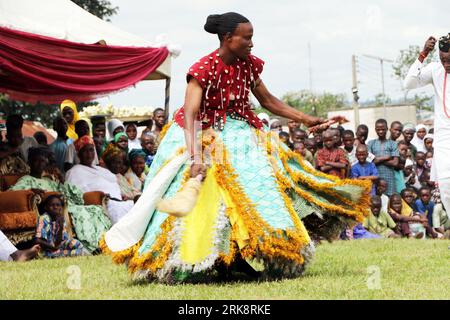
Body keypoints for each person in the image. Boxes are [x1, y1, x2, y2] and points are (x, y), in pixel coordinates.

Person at [101, 12, 369, 283]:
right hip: (199, 134)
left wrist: (308, 118)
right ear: (228, 38)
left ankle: (242, 258)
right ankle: (196, 262)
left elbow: (268, 100)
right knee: (209, 196)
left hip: (241, 133)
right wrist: (195, 157)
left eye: (252, 37)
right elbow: (191, 115)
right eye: (247, 37)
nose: (252, 43)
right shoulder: (203, 69)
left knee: (260, 186)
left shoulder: (248, 65)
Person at [10, 147, 111, 252]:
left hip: (67, 205)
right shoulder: (26, 180)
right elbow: (13, 192)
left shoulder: (50, 181)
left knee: (96, 209)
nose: (40, 164)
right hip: (52, 209)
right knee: (82, 213)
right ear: (29, 162)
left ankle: (103, 243)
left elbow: (71, 194)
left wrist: (62, 180)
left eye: (43, 161)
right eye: (37, 161)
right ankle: (92, 246)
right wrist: (30, 191)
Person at [65, 136, 134, 224]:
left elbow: (114, 185)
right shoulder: (74, 172)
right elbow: (76, 197)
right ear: (79, 154)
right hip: (103, 207)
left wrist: (122, 196)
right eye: (85, 151)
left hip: (119, 202)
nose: (89, 154)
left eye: (91, 150)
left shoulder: (102, 170)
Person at [368, 119, 399, 196]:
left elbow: (395, 163)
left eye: (383, 129)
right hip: (375, 177)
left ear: (387, 129)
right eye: (378, 129)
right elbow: (370, 162)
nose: (381, 131)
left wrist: (377, 159)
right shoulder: (371, 143)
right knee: (375, 199)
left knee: (389, 199)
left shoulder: (393, 144)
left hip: (389, 178)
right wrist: (385, 158)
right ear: (375, 130)